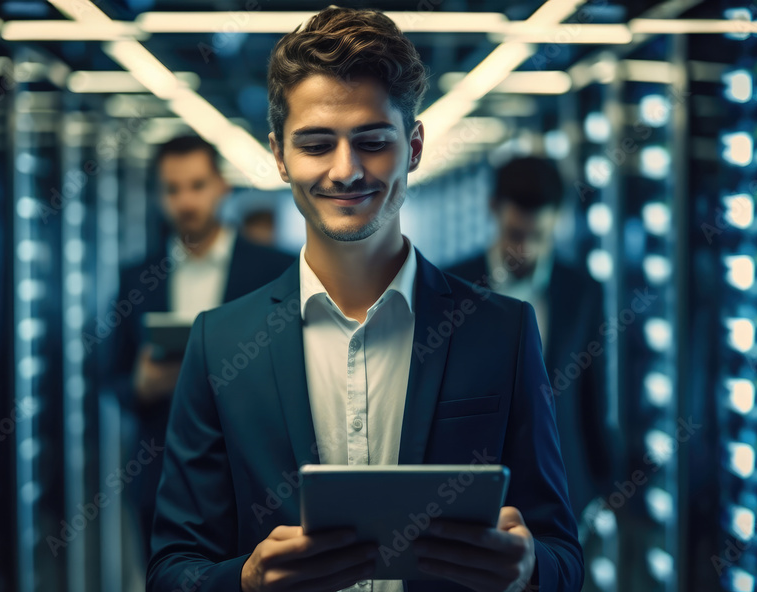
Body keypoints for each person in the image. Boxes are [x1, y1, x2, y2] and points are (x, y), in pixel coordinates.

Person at [147, 7, 582, 592]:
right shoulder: (219, 341)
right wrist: (244, 581)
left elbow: (563, 555)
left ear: (415, 145)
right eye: (316, 144)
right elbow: (173, 567)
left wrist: (532, 569)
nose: (346, 170)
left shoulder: (501, 330)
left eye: (373, 141)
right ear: (279, 155)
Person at [110, 134, 294, 562]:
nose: (186, 201)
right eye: (173, 189)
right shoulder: (137, 279)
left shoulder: (274, 268)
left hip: (254, 480)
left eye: (197, 185)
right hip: (163, 479)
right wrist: (140, 386)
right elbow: (111, 374)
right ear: (159, 196)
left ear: (221, 187)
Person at [446, 156, 617, 522]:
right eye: (515, 235)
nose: (524, 251)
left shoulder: (583, 292)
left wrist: (605, 487)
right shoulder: (450, 288)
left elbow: (594, 396)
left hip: (565, 493)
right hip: (474, 497)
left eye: (536, 237)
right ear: (494, 209)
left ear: (556, 220)